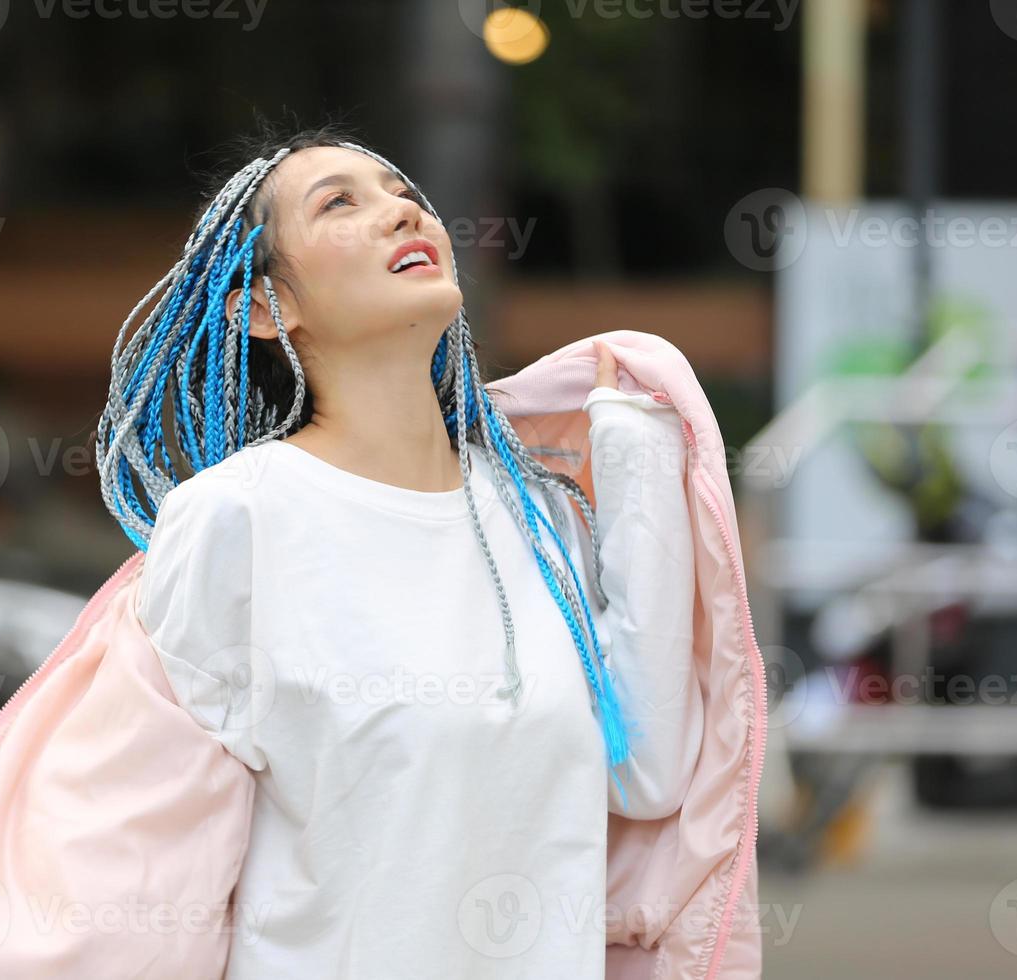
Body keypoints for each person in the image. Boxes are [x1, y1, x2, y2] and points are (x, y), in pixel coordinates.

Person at [95, 124, 702, 979]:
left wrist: (636, 455)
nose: (401, 213)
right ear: (268, 307)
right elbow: (146, 856)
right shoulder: (236, 520)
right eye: (341, 203)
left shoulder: (536, 516)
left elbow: (648, 776)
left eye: (404, 194)